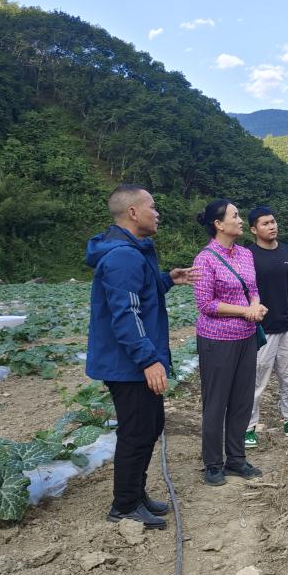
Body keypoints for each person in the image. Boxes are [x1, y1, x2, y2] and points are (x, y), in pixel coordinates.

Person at [85, 184, 200, 529]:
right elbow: (126, 314)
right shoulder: (123, 256)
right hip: (128, 364)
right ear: (133, 212)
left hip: (134, 361)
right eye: (151, 206)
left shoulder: (132, 251)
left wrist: (167, 279)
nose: (157, 212)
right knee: (137, 431)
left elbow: (142, 294)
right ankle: (124, 506)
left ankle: (136, 495)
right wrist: (148, 359)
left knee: (150, 426)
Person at [193, 199, 266, 486]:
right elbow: (206, 304)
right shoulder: (205, 259)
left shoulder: (246, 255)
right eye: (235, 216)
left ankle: (236, 458)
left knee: (242, 401)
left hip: (246, 337)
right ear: (218, 224)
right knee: (216, 402)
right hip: (217, 340)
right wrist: (246, 311)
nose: (240, 220)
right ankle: (213, 463)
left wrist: (256, 306)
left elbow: (254, 290)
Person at [243, 206, 288, 449]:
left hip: (286, 326)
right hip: (260, 329)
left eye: (273, 221)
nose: (272, 226)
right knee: (255, 380)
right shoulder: (247, 255)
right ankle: (247, 427)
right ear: (254, 229)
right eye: (265, 223)